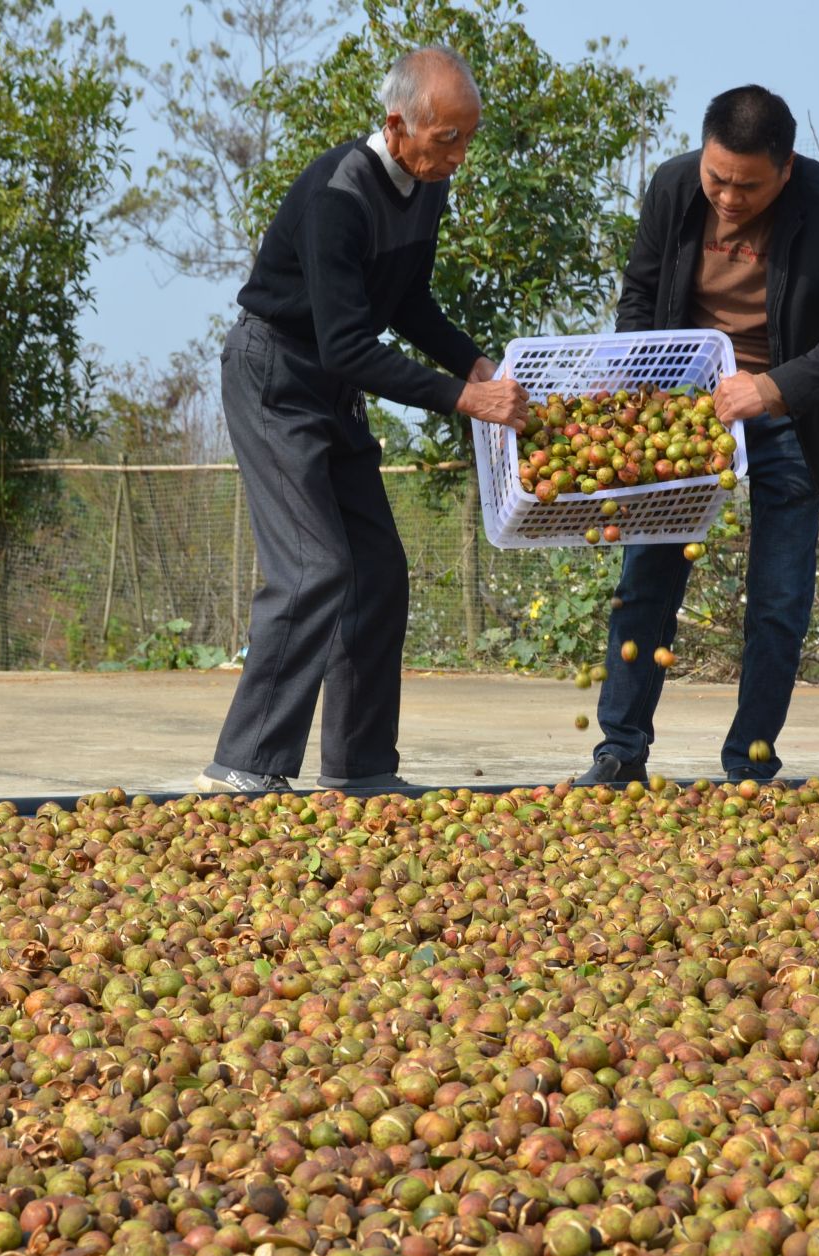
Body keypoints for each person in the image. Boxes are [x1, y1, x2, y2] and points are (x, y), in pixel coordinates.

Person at [198, 45, 530, 795]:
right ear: (397, 124)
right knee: (316, 567)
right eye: (448, 138)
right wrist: (461, 398)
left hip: (331, 387)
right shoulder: (337, 195)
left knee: (378, 571)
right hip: (275, 375)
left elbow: (407, 300)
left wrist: (471, 361)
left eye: (467, 138)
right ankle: (245, 764)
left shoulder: (427, 185)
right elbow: (348, 343)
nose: (459, 155)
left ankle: (361, 769)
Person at [578, 85, 819, 786]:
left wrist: (772, 386)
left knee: (779, 599)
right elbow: (640, 292)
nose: (726, 198)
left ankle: (749, 761)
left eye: (746, 187)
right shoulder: (673, 186)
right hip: (687, 410)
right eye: (716, 178)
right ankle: (619, 749)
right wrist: (645, 383)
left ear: (785, 171)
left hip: (785, 410)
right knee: (647, 581)